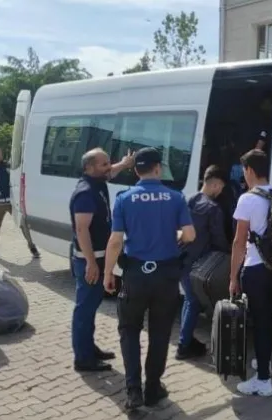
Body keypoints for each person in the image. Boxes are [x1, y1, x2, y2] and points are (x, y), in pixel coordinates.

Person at [103, 147, 196, 410]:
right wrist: (174, 238)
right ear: (158, 168)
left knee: (129, 330)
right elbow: (189, 235)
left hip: (135, 275)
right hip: (166, 276)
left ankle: (134, 392)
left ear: (135, 170)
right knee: (160, 332)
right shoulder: (176, 198)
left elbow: (115, 241)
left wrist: (108, 273)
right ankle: (153, 388)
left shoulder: (124, 198)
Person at [69, 148, 134, 373]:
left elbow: (111, 173)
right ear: (89, 168)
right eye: (103, 164)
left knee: (92, 305)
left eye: (108, 163)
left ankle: (88, 347)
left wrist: (124, 164)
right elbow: (81, 229)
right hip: (90, 259)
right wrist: (91, 263)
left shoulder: (96, 180)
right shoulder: (85, 192)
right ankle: (83, 359)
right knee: (85, 309)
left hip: (98, 257)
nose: (109, 167)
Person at [229, 149, 272, 397]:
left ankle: (263, 381)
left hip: (256, 268)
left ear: (249, 170)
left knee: (259, 324)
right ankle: (265, 363)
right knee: (267, 320)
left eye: (244, 171)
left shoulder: (247, 199)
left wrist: (232, 277)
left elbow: (239, 242)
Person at [176, 165, 230, 360]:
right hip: (199, 263)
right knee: (193, 301)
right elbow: (218, 239)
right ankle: (183, 346)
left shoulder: (187, 200)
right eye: (221, 187)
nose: (221, 191)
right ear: (214, 184)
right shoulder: (213, 209)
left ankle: (186, 338)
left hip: (180, 258)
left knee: (189, 299)